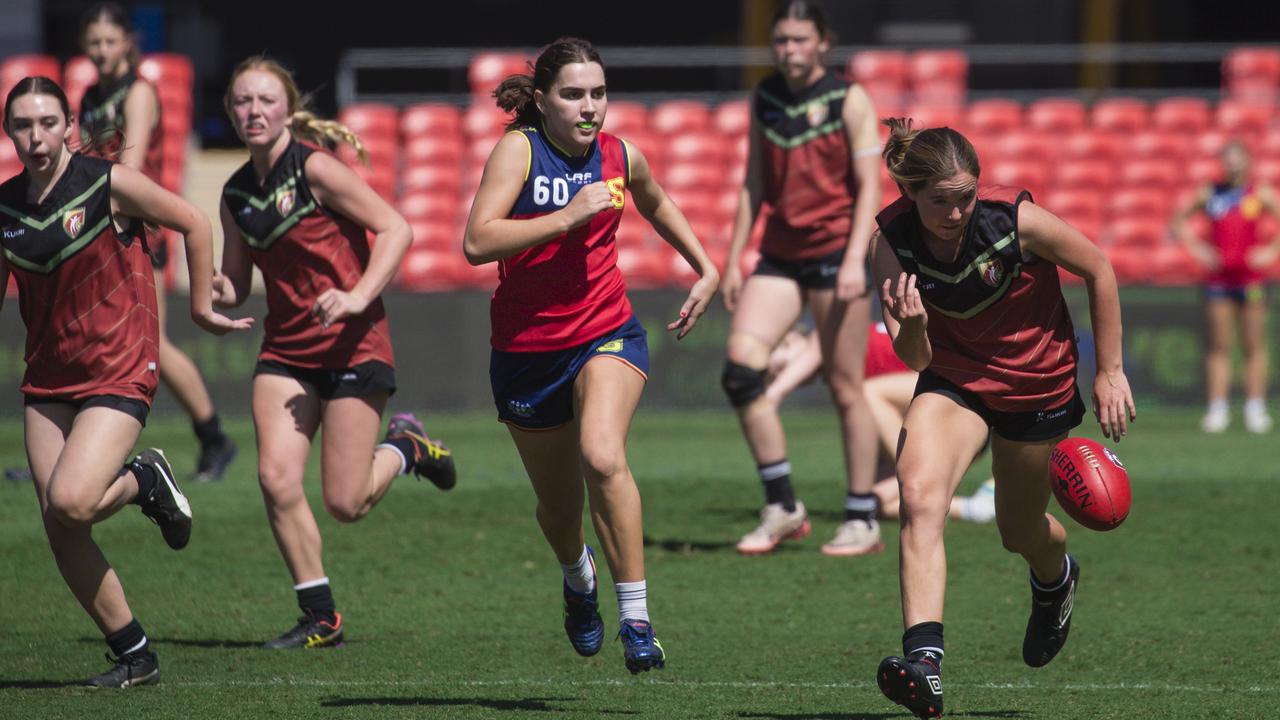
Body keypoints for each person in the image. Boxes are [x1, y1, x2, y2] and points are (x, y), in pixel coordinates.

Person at [463, 37, 718, 674]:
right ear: (544, 100)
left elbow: (655, 200)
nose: (589, 107)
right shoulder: (518, 151)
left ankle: (637, 620)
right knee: (558, 507)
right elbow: (477, 241)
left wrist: (707, 268)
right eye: (573, 94)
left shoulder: (619, 154)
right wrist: (567, 217)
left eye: (598, 93)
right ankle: (579, 579)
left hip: (608, 332)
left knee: (603, 455)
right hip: (526, 352)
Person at [869, 119, 1136, 719]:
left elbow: (1099, 267)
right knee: (918, 495)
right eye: (941, 201)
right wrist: (912, 325)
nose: (957, 211)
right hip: (955, 378)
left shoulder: (1013, 220)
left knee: (1018, 531)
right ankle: (926, 667)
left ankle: (1055, 576)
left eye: (966, 196)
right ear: (909, 193)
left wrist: (1110, 370)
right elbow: (914, 357)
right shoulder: (889, 241)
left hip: (1036, 384)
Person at [0, 76, 251, 687]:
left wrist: (198, 308)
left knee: (72, 501)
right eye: (23, 125)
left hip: (119, 362)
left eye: (47, 123)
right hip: (49, 376)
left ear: (68, 126)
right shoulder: (5, 207)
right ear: (10, 132)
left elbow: (193, 220)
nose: (36, 136)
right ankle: (135, 653)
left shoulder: (107, 183)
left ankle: (143, 478)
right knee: (61, 527)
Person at [214, 56, 457, 650]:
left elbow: (397, 228)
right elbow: (235, 277)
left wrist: (355, 297)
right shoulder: (235, 193)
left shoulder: (315, 169)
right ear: (230, 112)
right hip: (286, 351)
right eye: (242, 102)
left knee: (346, 503)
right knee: (274, 477)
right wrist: (210, 288)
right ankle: (321, 616)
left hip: (353, 342)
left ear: (289, 110)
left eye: (266, 100)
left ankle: (406, 448)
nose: (254, 111)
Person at [719, 0, 884, 557]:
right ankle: (783, 506)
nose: (788, 50)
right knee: (741, 373)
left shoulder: (848, 98)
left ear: (823, 43)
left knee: (844, 388)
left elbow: (869, 188)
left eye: (799, 39)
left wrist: (856, 259)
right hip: (781, 255)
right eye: (781, 40)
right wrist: (733, 257)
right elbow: (753, 184)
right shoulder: (764, 96)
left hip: (836, 254)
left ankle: (862, 517)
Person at [78, 2, 238, 480]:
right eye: (94, 43)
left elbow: (129, 166)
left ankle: (214, 437)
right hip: (100, 232)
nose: (102, 51)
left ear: (128, 42)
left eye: (110, 41)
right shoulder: (90, 95)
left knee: (154, 345)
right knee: (95, 337)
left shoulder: (138, 92)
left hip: (139, 230)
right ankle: (74, 449)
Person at [762, 323, 996, 525]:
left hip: (958, 400)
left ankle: (922, 471)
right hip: (942, 437)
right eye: (774, 375)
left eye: (780, 366)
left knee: (868, 391)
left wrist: (769, 397)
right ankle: (974, 508)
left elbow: (815, 350)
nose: (779, 374)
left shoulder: (826, 337)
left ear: (792, 337)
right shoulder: (838, 378)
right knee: (871, 503)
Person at [1172, 140, 1279, 434]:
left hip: (1251, 279)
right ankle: (1217, 408)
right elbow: (1179, 220)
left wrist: (1271, 251)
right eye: (1227, 159)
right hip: (1218, 280)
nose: (1232, 165)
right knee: (1219, 345)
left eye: (1237, 159)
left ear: (1248, 161)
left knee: (1253, 344)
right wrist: (1199, 249)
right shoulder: (1211, 192)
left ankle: (1255, 408)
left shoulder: (1259, 192)